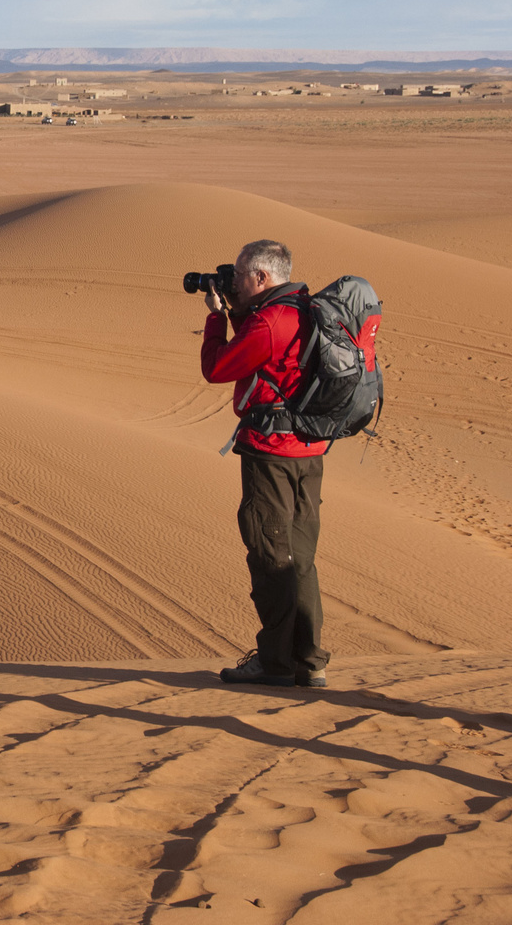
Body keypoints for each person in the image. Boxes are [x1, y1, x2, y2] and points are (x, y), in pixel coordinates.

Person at [200, 239, 330, 688]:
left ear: (261, 278)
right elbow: (271, 355)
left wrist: (217, 318)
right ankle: (310, 662)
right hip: (309, 451)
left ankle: (275, 664)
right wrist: (238, 313)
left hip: (271, 455)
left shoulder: (271, 321)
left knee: (270, 557)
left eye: (238, 276)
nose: (232, 282)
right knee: (301, 560)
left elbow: (219, 369)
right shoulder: (304, 307)